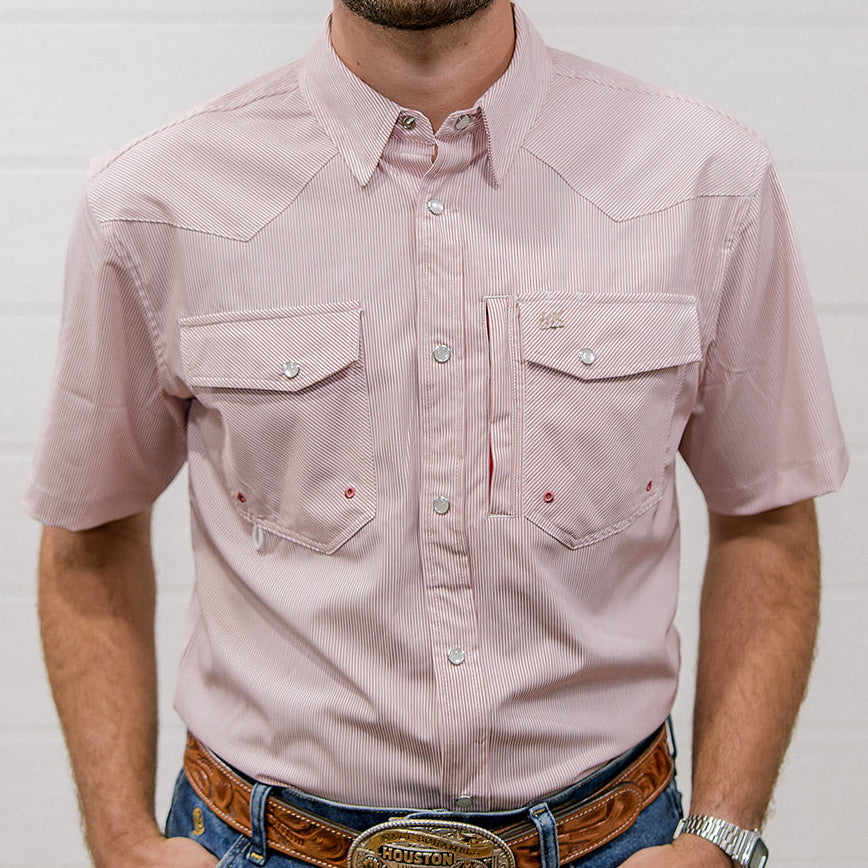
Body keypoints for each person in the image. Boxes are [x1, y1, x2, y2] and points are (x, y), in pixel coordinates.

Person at [25, 2, 848, 868]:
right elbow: (89, 533)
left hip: (615, 843)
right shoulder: (154, 201)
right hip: (255, 846)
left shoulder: (706, 179)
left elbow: (768, 515)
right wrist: (120, 844)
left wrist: (720, 837)